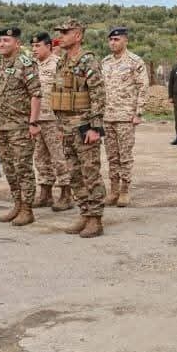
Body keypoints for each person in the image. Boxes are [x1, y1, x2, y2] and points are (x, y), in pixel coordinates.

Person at [49, 18, 106, 238]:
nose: (60, 36)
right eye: (60, 32)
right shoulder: (62, 62)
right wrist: (59, 126)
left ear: (78, 36)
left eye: (65, 32)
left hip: (84, 127)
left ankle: (95, 219)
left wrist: (95, 128)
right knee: (74, 174)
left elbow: (98, 95)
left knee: (90, 173)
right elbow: (60, 94)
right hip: (66, 128)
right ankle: (84, 213)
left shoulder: (88, 61)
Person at [0, 27, 41, 227]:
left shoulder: (26, 64)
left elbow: (36, 94)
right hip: (1, 125)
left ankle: (27, 209)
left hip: (20, 126)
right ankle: (17, 204)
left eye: (6, 40)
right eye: (0, 40)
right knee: (9, 168)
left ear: (17, 43)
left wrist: (33, 122)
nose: (1, 44)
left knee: (23, 168)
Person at [100, 26, 149, 207]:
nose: (113, 43)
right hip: (107, 116)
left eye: (117, 39)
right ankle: (113, 190)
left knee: (125, 156)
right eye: (111, 40)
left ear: (125, 40)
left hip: (125, 116)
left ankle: (125, 191)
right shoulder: (105, 62)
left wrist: (139, 112)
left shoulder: (135, 61)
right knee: (112, 156)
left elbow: (143, 87)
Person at [30, 32, 72, 210]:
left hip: (54, 120)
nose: (34, 49)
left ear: (48, 46)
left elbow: (64, 94)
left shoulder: (58, 65)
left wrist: (63, 123)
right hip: (37, 119)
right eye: (32, 46)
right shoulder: (32, 66)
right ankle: (45, 193)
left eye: (38, 46)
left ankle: (66, 194)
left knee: (59, 158)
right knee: (40, 158)